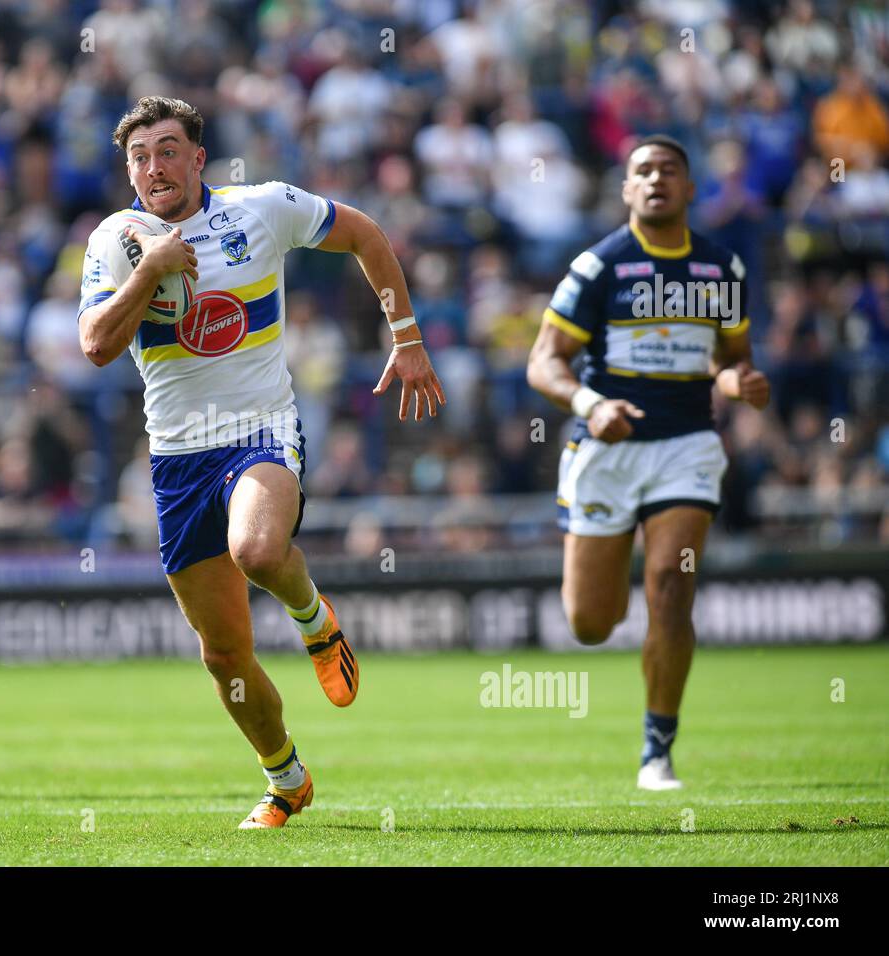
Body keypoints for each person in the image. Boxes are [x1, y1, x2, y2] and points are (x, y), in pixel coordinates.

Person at [79, 96, 445, 828]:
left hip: (260, 431)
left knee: (256, 548)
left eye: (169, 149)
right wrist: (149, 269)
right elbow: (95, 345)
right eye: (141, 155)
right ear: (129, 171)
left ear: (198, 158)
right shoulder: (115, 242)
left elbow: (366, 234)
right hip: (178, 454)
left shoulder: (261, 207)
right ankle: (287, 780)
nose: (155, 165)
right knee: (224, 656)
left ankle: (314, 620)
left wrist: (405, 337)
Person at [526, 135, 770, 790]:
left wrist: (735, 384)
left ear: (690, 189)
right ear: (627, 190)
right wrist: (588, 401)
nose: (656, 179)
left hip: (686, 446)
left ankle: (657, 749)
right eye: (643, 171)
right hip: (607, 450)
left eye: (669, 170)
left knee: (670, 584)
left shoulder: (722, 270)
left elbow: (726, 358)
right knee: (589, 623)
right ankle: (597, 580)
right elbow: (543, 362)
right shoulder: (600, 267)